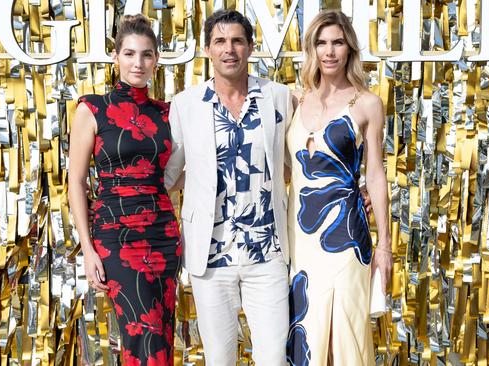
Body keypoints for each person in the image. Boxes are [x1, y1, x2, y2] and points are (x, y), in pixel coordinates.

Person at [164, 9, 292, 366]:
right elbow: (171, 175)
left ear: (250, 47)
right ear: (207, 49)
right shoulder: (186, 104)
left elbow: (295, 164)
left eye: (237, 40)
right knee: (219, 358)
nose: (229, 49)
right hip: (211, 254)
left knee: (272, 357)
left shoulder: (279, 97)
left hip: (267, 252)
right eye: (220, 41)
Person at [68, 14, 180, 365]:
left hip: (163, 235)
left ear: (156, 60)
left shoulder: (168, 113)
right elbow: (75, 182)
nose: (138, 63)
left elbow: (177, 174)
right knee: (141, 335)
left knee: (161, 333)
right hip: (116, 238)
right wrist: (87, 249)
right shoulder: (92, 109)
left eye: (147, 55)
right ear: (115, 57)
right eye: (130, 54)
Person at [285, 10, 393, 366]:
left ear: (349, 49)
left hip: (346, 238)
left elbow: (375, 175)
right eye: (321, 43)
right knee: (308, 335)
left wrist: (385, 248)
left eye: (337, 42)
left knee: (344, 338)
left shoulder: (367, 103)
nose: (329, 51)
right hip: (299, 241)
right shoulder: (293, 101)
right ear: (311, 49)